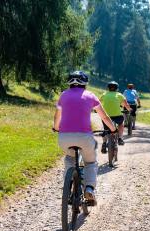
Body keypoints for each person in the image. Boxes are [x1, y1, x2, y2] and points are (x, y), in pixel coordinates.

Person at [53, 71, 116, 206]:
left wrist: (56, 128)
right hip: (84, 137)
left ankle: (68, 187)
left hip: (64, 137)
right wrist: (113, 129)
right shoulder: (90, 96)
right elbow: (104, 117)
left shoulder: (63, 95)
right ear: (85, 83)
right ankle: (89, 189)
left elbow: (57, 116)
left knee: (70, 158)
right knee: (91, 162)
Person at [100, 81, 132, 152]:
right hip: (117, 116)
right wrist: (129, 109)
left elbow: (98, 103)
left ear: (108, 88)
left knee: (105, 129)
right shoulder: (119, 95)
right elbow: (126, 104)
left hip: (106, 116)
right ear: (117, 88)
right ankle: (120, 138)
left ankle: (104, 143)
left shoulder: (104, 94)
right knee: (121, 123)